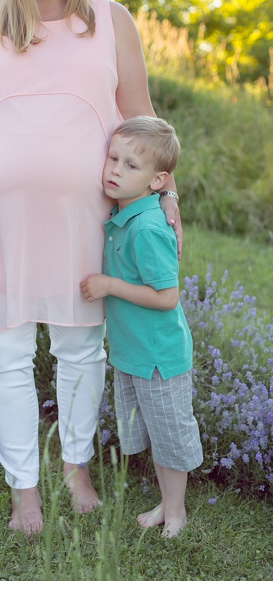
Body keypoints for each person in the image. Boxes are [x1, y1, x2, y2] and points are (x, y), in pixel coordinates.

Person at [0, 0, 184, 533]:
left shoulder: (113, 20)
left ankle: (76, 469)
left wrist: (167, 193)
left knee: (81, 347)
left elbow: (143, 118)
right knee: (5, 350)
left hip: (86, 215)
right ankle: (23, 490)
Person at [79, 117, 199, 537]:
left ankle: (176, 512)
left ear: (157, 181)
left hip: (158, 356)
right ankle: (167, 503)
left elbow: (167, 296)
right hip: (133, 353)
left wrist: (109, 285)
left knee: (170, 438)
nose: (115, 170)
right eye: (113, 158)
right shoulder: (124, 213)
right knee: (155, 434)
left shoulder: (146, 227)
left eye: (131, 166)